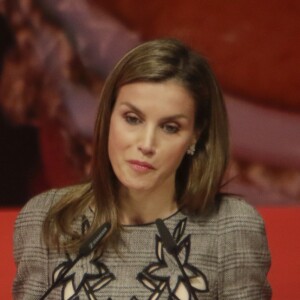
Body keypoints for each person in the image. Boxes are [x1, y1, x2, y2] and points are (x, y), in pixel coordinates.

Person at [13, 38, 272, 299]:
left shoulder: (231, 228)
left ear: (195, 136)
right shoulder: (45, 220)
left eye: (170, 127)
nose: (147, 144)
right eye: (132, 119)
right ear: (108, 117)